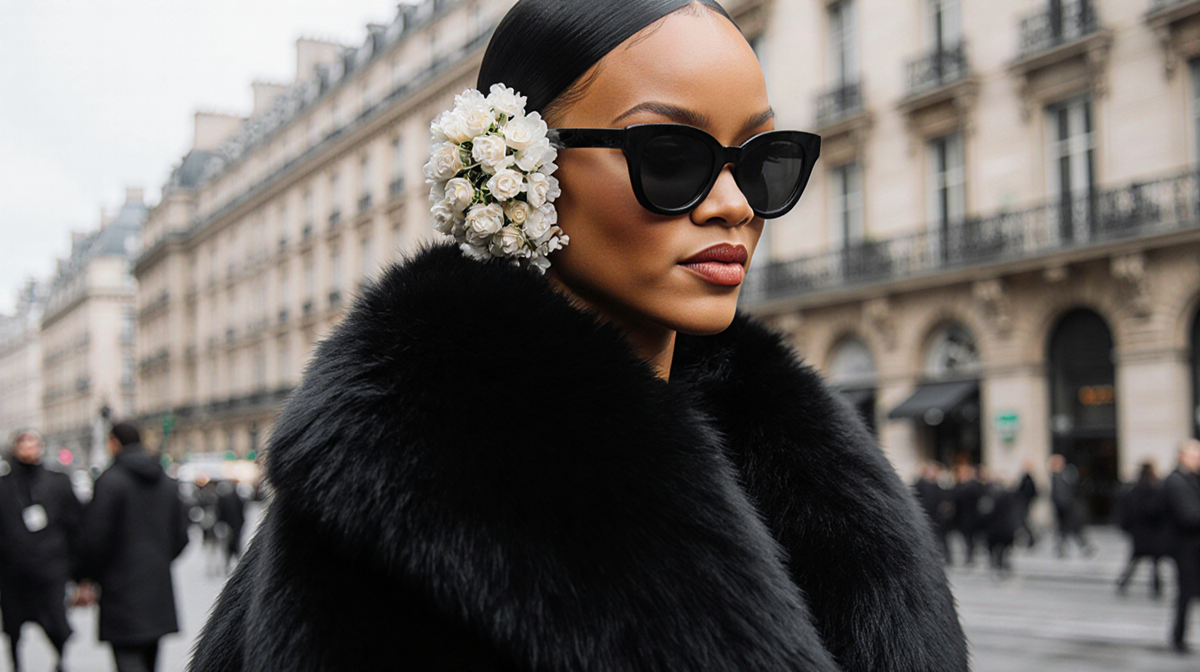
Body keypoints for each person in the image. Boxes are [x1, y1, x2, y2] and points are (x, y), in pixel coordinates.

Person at [190, 2, 968, 670]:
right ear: (524, 168)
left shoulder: (826, 486)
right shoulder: (381, 521)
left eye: (766, 161)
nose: (736, 205)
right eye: (672, 156)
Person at [77, 423, 189, 672]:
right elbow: (182, 535)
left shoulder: (111, 481)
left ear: (114, 442)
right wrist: (159, 558)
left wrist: (88, 575)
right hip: (156, 584)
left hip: (120, 587)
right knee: (151, 658)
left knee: (127, 657)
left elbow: (96, 537)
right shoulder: (165, 481)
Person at [0, 431, 82, 672]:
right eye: (23, 444)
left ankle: (60, 661)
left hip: (51, 569)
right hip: (13, 572)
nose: (29, 449)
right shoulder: (4, 485)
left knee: (57, 624)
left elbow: (74, 524)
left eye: (33, 444)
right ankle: (16, 666)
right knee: (14, 628)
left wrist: (77, 571)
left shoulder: (57, 481)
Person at [1164, 440, 1200, 653]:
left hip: (1192, 546)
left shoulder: (1191, 479)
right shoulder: (1176, 481)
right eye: (1195, 455)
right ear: (1183, 457)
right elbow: (1188, 515)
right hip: (1185, 548)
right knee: (1185, 594)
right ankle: (1177, 638)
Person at [1116, 461, 1168, 598]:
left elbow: (1125, 513)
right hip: (1151, 532)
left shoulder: (1133, 490)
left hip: (1138, 532)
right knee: (1154, 563)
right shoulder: (1154, 490)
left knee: (1136, 560)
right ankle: (1156, 589)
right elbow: (1157, 511)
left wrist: (1127, 528)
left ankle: (1123, 583)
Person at [1049, 454, 1095, 558]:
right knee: (1068, 532)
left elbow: (1062, 495)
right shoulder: (1059, 477)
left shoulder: (1060, 477)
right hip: (1065, 511)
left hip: (1065, 511)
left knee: (1069, 532)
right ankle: (1066, 550)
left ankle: (1082, 548)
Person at [913, 462, 952, 563]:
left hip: (937, 516)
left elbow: (944, 498)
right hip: (925, 515)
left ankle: (946, 557)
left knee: (941, 538)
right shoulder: (921, 484)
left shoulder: (937, 485)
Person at [952, 464, 985, 566]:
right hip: (966, 517)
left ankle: (970, 555)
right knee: (968, 538)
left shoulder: (971, 487)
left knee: (969, 538)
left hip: (970, 516)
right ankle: (970, 555)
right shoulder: (966, 486)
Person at [214, 480, 245, 573]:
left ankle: (234, 566)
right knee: (233, 547)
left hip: (233, 526)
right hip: (234, 526)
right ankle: (236, 566)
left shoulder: (224, 498)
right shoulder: (234, 498)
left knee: (231, 547)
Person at [1016, 459, 1039, 548]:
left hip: (1024, 504)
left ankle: (1031, 539)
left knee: (1024, 522)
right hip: (1024, 503)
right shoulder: (1027, 479)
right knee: (1024, 522)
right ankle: (1029, 539)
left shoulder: (1028, 480)